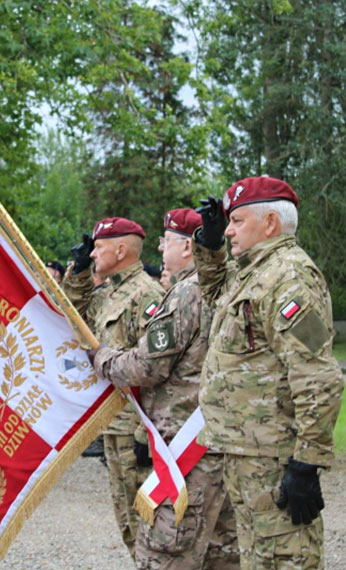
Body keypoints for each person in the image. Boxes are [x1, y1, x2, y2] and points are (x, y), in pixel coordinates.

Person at [194, 176, 344, 569]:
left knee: (286, 559)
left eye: (237, 221)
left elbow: (317, 376)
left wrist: (306, 462)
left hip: (275, 457)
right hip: (247, 453)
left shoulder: (289, 277)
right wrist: (210, 246)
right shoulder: (253, 272)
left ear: (271, 223)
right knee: (259, 559)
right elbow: (214, 293)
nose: (229, 230)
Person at [89, 209, 239, 569]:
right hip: (220, 436)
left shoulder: (188, 292)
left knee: (164, 553)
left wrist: (101, 359)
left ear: (188, 247)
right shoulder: (227, 284)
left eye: (167, 240)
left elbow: (148, 365)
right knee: (222, 553)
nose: (159, 246)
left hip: (188, 442)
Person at [64, 217, 166, 558]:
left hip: (134, 426)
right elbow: (74, 316)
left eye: (99, 248)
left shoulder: (148, 295)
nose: (93, 255)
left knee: (145, 522)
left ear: (121, 250)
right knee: (126, 520)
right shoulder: (111, 292)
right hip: (113, 421)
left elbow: (155, 367)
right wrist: (78, 273)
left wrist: (143, 433)